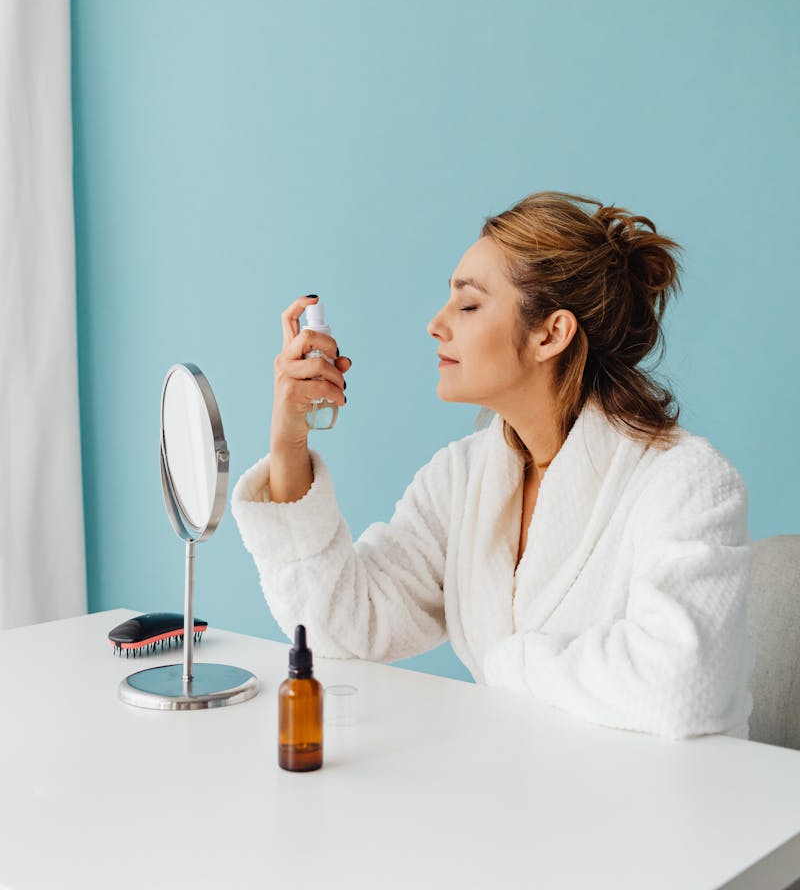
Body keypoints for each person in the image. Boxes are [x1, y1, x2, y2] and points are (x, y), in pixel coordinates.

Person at [232, 191, 754, 741]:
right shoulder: (462, 479)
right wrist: (289, 438)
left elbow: (680, 686)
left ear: (551, 333)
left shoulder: (685, 481)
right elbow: (343, 624)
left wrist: (509, 666)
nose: (436, 324)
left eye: (469, 304)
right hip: (515, 794)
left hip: (670, 812)